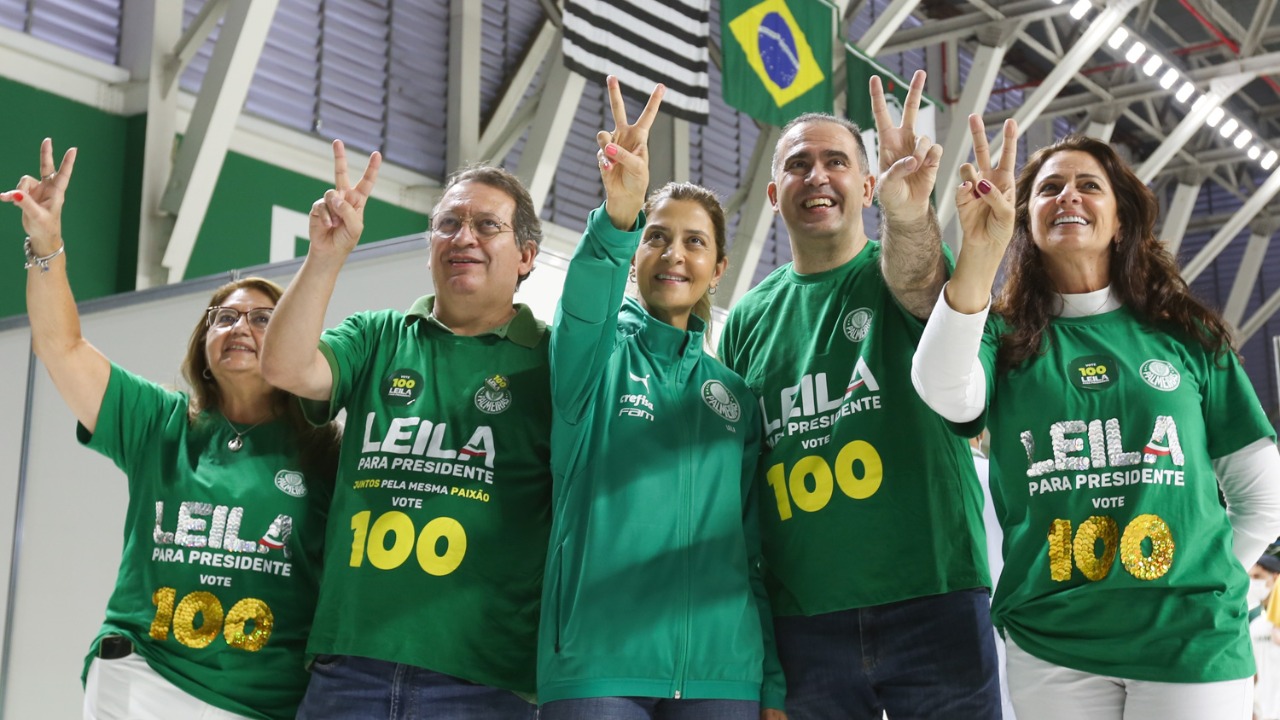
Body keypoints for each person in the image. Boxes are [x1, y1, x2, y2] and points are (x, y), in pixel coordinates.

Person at [911, 117, 1280, 719]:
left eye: (1088, 185)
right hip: (1052, 643)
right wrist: (979, 251)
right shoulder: (1003, 339)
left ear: (1120, 221)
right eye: (1049, 189)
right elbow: (942, 390)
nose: (1068, 196)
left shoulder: (1184, 336)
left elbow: (1263, 498)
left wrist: (1208, 583)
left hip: (1188, 641)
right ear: (1027, 222)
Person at [4, 139, 339, 720]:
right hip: (139, 676)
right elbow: (61, 346)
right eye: (225, 316)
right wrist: (45, 241)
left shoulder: (328, 451)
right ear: (204, 346)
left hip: (260, 701)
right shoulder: (160, 422)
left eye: (264, 319)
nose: (240, 327)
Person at [717, 71, 999, 719]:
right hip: (804, 623)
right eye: (798, 164)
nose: (817, 176)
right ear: (772, 193)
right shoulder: (745, 322)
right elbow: (738, 489)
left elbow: (921, 281)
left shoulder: (906, 268)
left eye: (836, 161)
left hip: (935, 599)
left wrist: (909, 214)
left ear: (867, 187)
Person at [260, 140, 550, 717]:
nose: (462, 237)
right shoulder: (379, 335)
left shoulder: (553, 362)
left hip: (484, 678)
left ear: (526, 255)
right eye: (448, 223)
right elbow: (285, 367)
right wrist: (326, 254)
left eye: (486, 225)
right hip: (350, 666)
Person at [536, 77, 784, 720]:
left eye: (694, 241)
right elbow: (587, 304)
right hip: (598, 664)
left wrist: (773, 683)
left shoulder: (733, 395)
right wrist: (620, 214)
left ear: (719, 267)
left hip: (723, 675)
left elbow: (754, 547)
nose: (673, 254)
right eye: (656, 237)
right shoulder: (594, 356)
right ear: (636, 251)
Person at [1251, 553, 1280, 720]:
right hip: (1261, 714)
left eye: (1258, 577)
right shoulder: (1255, 625)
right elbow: (1254, 675)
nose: (1253, 583)